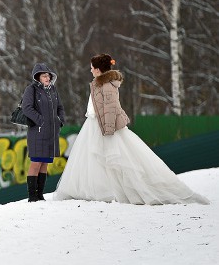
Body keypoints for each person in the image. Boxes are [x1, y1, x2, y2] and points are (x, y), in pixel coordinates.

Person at [53, 53, 209, 205]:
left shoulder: (107, 85)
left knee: (112, 158)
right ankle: (96, 189)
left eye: (92, 67)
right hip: (94, 124)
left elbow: (110, 108)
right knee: (94, 159)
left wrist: (108, 130)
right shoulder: (98, 83)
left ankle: (111, 191)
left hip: (106, 126)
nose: (91, 70)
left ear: (99, 69)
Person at [21, 62, 66, 202]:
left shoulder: (53, 90)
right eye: (43, 76)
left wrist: (60, 119)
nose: (47, 78)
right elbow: (26, 108)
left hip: (51, 133)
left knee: (45, 163)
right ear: (37, 78)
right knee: (36, 163)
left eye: (48, 75)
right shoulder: (31, 90)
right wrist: (40, 121)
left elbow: (60, 107)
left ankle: (40, 194)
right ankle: (32, 196)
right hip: (37, 132)